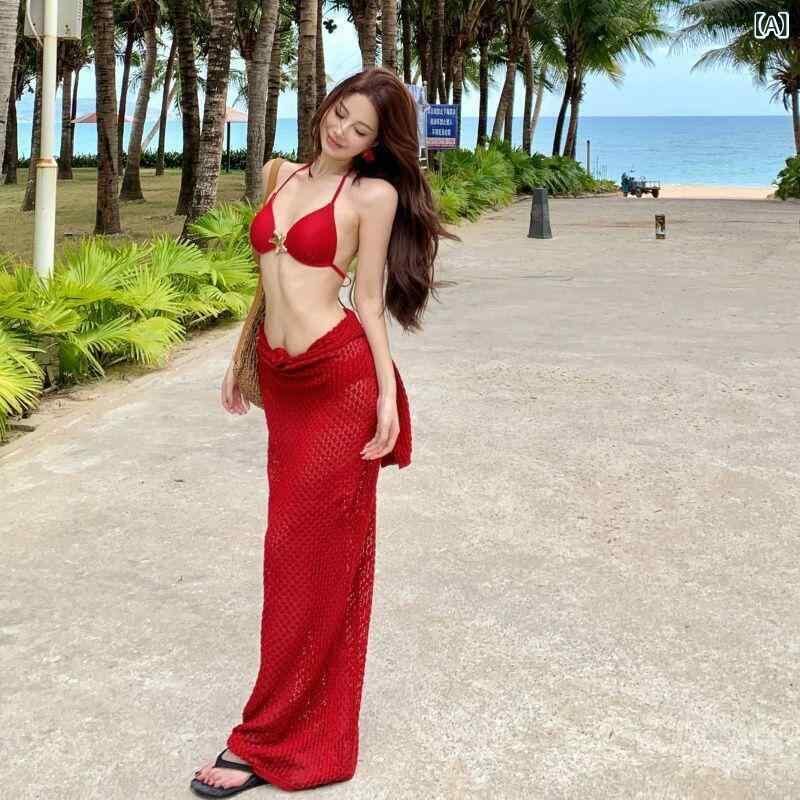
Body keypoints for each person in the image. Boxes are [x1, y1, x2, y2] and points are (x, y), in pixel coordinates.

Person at [190, 66, 459, 796]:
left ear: (375, 146)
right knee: (290, 553)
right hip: (284, 382)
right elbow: (267, 279)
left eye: (360, 130)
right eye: (339, 114)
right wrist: (240, 360)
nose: (341, 131)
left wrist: (388, 397)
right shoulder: (279, 172)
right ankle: (284, 726)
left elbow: (368, 300)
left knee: (305, 557)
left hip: (341, 384)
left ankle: (267, 739)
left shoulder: (373, 196)